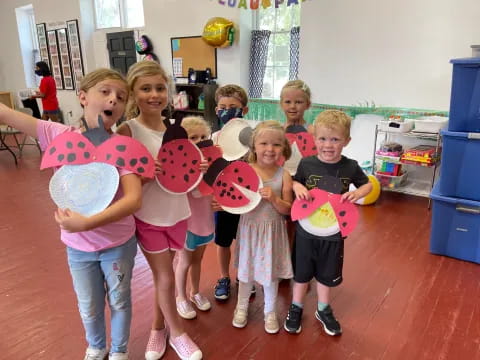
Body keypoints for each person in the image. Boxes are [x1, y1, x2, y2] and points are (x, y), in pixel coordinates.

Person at [0, 68, 143, 360]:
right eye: (105, 92)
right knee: (88, 304)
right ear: (82, 97)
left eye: (120, 96)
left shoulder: (123, 147)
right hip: (78, 247)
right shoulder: (56, 135)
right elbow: (5, 114)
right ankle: (96, 346)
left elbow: (133, 200)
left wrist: (87, 222)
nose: (113, 100)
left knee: (119, 300)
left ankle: (118, 351)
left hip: (118, 244)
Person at [117, 61, 202, 360]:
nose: (154, 95)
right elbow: (118, 180)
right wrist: (143, 173)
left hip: (178, 214)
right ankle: (178, 334)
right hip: (149, 217)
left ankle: (157, 327)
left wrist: (197, 167)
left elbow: (184, 175)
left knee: (161, 278)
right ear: (132, 93)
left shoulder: (174, 129)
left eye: (160, 88)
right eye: (145, 89)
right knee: (165, 278)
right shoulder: (128, 130)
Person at [283, 110, 373, 336]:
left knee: (326, 273)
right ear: (315, 139)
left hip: (334, 231)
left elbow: (368, 185)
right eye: (323, 139)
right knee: (301, 274)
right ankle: (296, 306)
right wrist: (298, 187)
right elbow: (295, 182)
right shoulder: (306, 163)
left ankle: (323, 308)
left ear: (346, 141)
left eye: (335, 139)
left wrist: (358, 193)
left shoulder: (350, 166)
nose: (328, 145)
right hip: (305, 230)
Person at [232, 120, 294, 334]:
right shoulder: (245, 170)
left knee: (271, 275)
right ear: (254, 146)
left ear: (283, 148)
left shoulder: (283, 175)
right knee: (245, 272)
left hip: (272, 232)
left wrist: (275, 199)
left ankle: (269, 311)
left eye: (276, 144)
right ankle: (241, 307)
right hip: (249, 229)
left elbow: (288, 209)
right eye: (264, 143)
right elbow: (234, 201)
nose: (270, 149)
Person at [211, 84, 251, 301]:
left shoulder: (252, 137)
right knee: (223, 241)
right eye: (223, 107)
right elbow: (210, 169)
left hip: (247, 198)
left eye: (233, 107)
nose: (227, 110)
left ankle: (244, 278)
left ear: (244, 110)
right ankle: (224, 277)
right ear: (217, 110)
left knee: (245, 242)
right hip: (223, 199)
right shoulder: (215, 136)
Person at [174, 116, 215, 320]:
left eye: (203, 137)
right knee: (184, 260)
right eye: (193, 137)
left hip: (205, 219)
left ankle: (195, 292)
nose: (199, 141)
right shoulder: (178, 166)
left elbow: (214, 189)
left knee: (198, 259)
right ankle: (181, 297)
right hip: (187, 222)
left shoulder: (212, 163)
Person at [279, 80, 313, 249]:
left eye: (298, 102)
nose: (293, 106)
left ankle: (298, 260)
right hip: (281, 183)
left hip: (305, 185)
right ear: (281, 104)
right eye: (288, 102)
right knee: (283, 226)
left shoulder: (313, 131)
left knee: (302, 225)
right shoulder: (277, 131)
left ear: (308, 104)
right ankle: (284, 261)